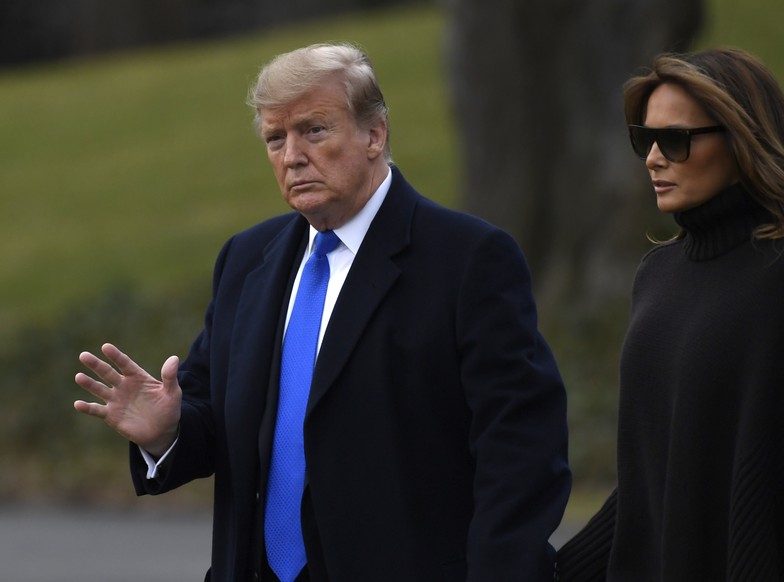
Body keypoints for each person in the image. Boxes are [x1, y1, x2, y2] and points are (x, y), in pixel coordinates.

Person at [73, 42, 571, 582]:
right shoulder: (246, 260)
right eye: (274, 138)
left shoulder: (467, 259)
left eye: (314, 130)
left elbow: (521, 453)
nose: (291, 156)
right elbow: (218, 419)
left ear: (374, 134)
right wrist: (164, 433)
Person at [558, 47, 784, 580]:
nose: (654, 157)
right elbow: (651, 483)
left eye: (675, 140)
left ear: (741, 140)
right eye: (645, 138)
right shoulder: (656, 276)